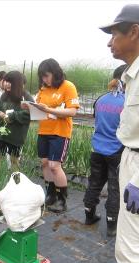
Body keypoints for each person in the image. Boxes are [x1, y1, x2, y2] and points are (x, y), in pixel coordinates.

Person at [98, 4, 139, 263]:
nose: (109, 42)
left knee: (135, 251)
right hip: (136, 159)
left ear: (134, 31)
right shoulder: (138, 71)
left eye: (114, 34)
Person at [83, 64, 127, 237]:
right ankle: (111, 225)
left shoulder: (101, 99)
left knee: (94, 182)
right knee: (114, 187)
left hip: (97, 148)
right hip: (116, 151)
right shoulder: (127, 102)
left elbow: (97, 121)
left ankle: (89, 214)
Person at [34, 58, 80, 213]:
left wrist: (49, 110)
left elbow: (72, 111)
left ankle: (62, 199)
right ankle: (50, 194)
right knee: (45, 163)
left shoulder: (68, 86)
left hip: (60, 132)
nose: (44, 80)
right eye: (42, 77)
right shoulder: (43, 90)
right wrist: (28, 107)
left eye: (46, 76)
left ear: (55, 73)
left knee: (55, 166)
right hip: (44, 130)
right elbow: (39, 108)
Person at [0, 71, 32, 170]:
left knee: (14, 160)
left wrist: (11, 116)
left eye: (10, 82)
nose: (6, 84)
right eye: (6, 81)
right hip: (2, 133)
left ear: (17, 83)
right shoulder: (4, 96)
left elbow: (29, 114)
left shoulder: (26, 97)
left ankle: (15, 181)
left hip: (16, 135)